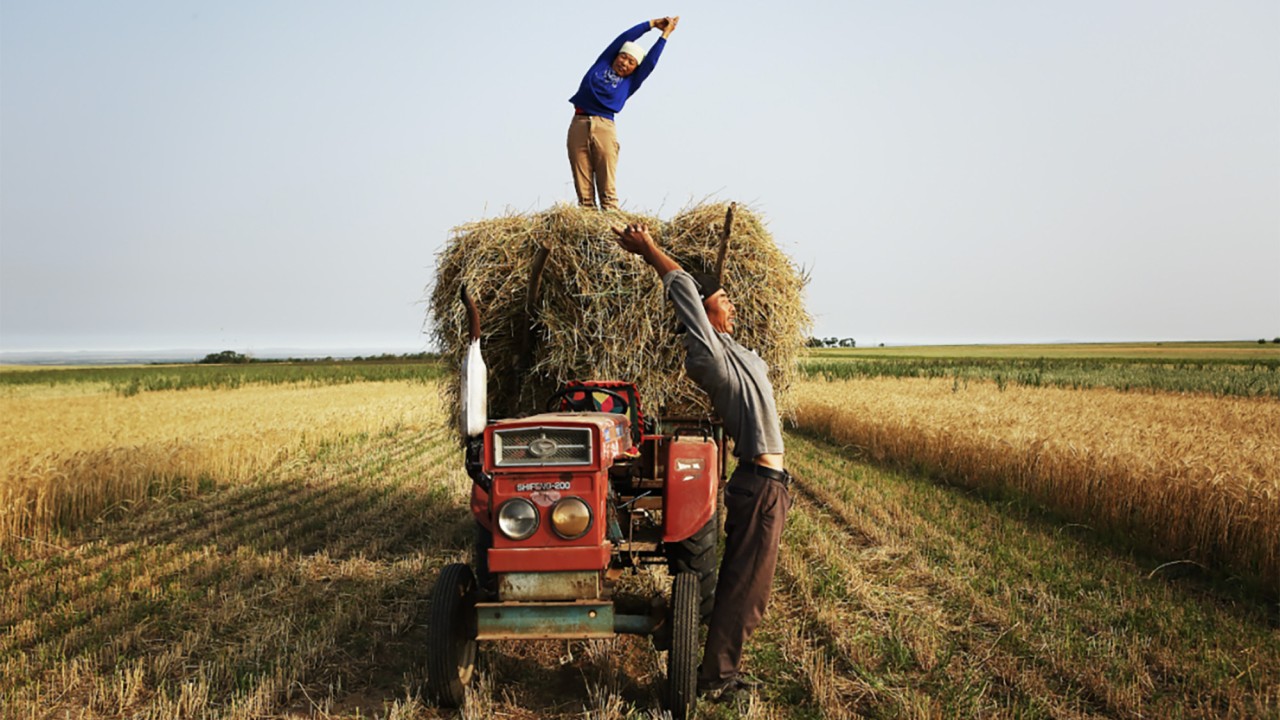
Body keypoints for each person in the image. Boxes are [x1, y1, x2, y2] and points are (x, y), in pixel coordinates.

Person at [611, 222, 791, 702]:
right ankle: (716, 678)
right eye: (724, 299)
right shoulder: (709, 357)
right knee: (747, 593)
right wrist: (650, 249)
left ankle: (716, 668)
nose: (733, 304)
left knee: (748, 587)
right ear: (702, 313)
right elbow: (684, 287)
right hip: (761, 484)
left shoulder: (736, 352)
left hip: (768, 484)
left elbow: (710, 302)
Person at [568, 17, 679, 210]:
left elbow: (651, 62)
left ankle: (612, 225)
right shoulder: (602, 64)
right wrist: (651, 24)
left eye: (631, 63)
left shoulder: (629, 83)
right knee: (583, 189)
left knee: (606, 187)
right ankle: (587, 228)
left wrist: (665, 35)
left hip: (604, 126)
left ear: (635, 69)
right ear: (616, 56)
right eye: (623, 57)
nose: (625, 63)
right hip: (579, 123)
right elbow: (624, 38)